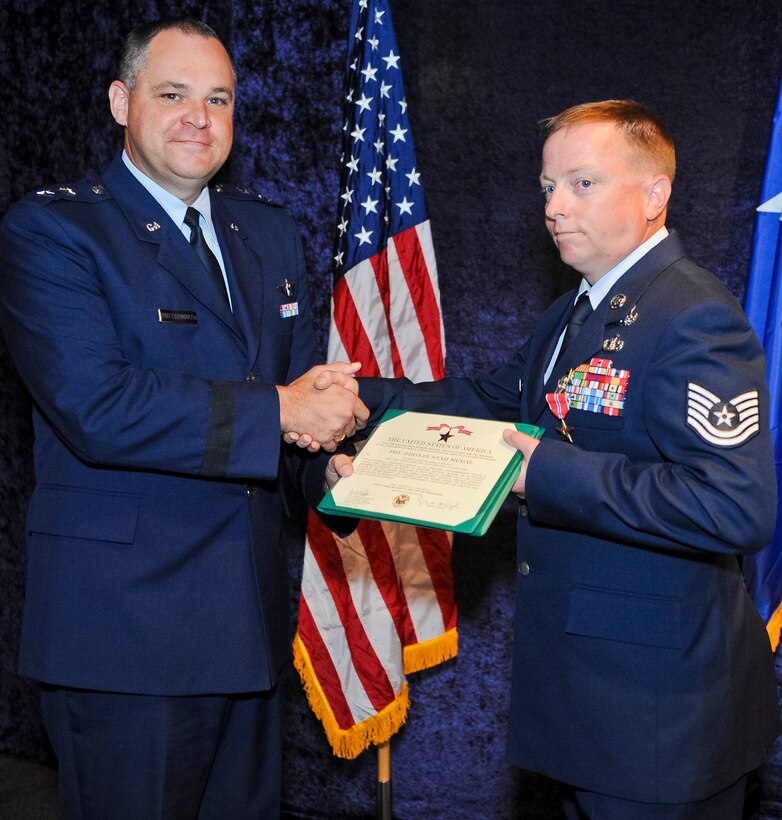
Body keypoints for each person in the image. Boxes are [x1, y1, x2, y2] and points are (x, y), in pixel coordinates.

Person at [323, 100, 781, 818]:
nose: (555, 206)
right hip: (582, 706)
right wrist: (357, 401)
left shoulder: (693, 315)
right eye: (546, 188)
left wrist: (545, 474)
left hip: (659, 720)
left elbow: (734, 504)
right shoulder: (575, 312)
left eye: (583, 184)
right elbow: (485, 401)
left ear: (655, 194)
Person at [0, 17, 368, 819]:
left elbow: (295, 401)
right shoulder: (54, 231)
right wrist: (286, 411)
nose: (200, 117)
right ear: (120, 101)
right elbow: (98, 407)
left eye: (220, 99)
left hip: (249, 627)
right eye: (174, 95)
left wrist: (331, 462)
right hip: (129, 634)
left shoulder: (268, 233)